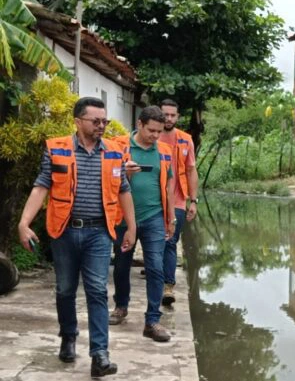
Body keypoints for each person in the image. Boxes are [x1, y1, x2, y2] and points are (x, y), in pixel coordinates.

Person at [17, 97, 136, 378]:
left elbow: (123, 190)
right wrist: (24, 222)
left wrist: (132, 227)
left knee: (97, 291)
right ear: (78, 121)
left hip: (99, 233)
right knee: (65, 289)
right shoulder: (57, 149)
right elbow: (40, 187)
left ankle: (100, 355)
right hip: (65, 231)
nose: (101, 126)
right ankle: (68, 336)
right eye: (95, 121)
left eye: (104, 121)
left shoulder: (115, 152)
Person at [108, 106, 175, 342]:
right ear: (139, 124)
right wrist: (122, 173)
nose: (156, 136)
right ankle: (121, 307)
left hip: (154, 216)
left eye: (159, 131)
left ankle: (152, 320)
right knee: (122, 264)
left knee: (156, 266)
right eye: (151, 131)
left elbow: (169, 185)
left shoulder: (165, 151)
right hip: (124, 217)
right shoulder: (119, 146)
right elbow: (105, 177)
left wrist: (171, 218)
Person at [158, 99, 198, 305]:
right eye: (165, 114)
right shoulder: (151, 136)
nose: (169, 118)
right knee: (154, 241)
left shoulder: (185, 140)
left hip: (178, 200)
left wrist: (194, 201)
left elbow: (191, 170)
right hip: (153, 199)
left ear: (178, 117)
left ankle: (168, 286)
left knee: (171, 241)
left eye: (173, 115)